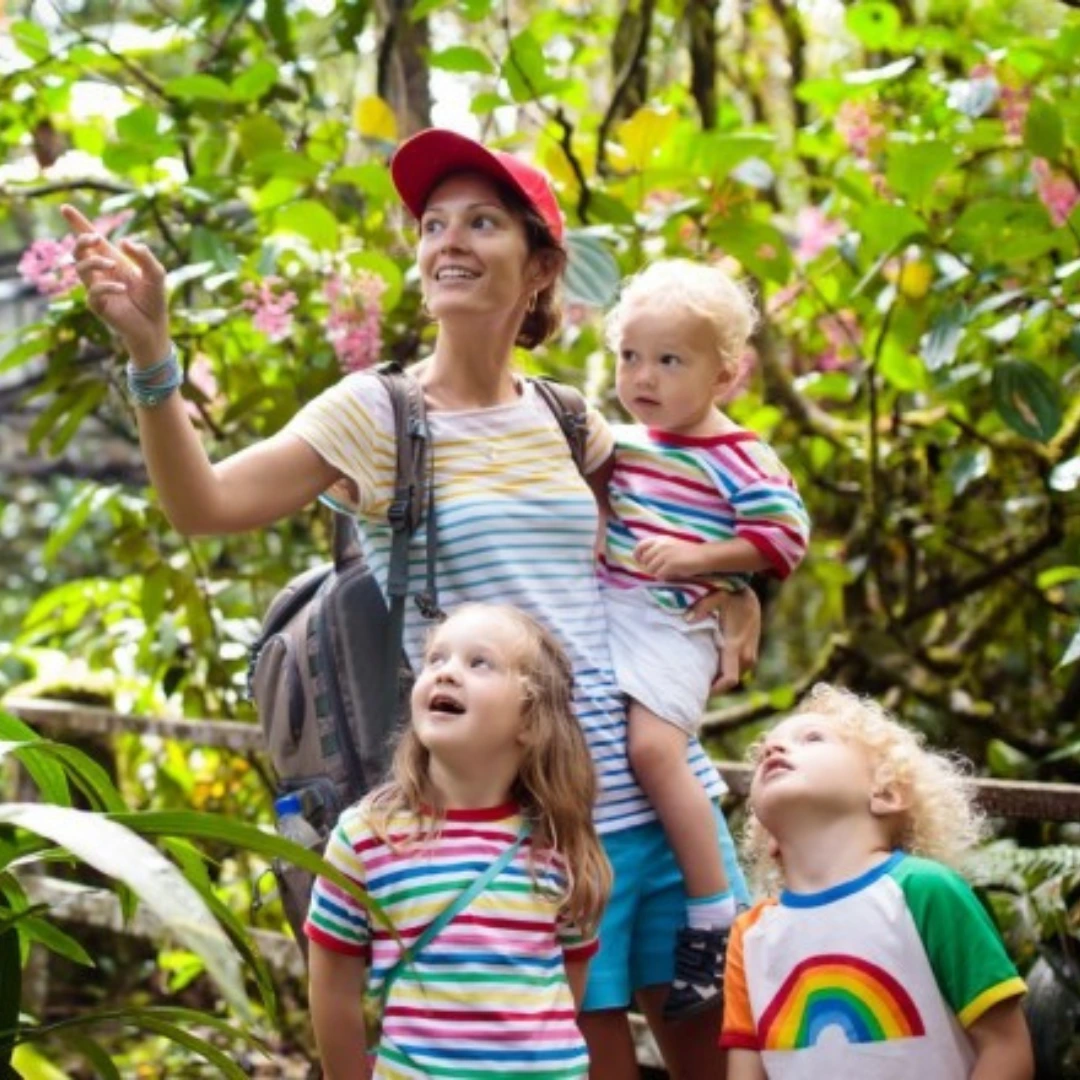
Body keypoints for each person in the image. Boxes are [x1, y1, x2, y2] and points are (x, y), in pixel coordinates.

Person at [61, 126, 756, 1077]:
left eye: (482, 221)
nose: (449, 241)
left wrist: (740, 589)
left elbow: (664, 534)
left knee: (719, 1055)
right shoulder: (375, 414)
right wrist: (153, 358)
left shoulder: (569, 416)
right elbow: (205, 506)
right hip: (525, 817)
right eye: (434, 224)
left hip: (657, 794)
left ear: (541, 264)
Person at [600, 259, 810, 1020]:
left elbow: (784, 536)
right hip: (617, 613)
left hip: (675, 621)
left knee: (656, 751)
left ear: (724, 377)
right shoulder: (627, 441)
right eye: (629, 356)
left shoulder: (736, 454)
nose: (643, 377)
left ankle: (711, 911)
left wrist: (709, 564)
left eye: (669, 361)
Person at [305, 602, 611, 1078]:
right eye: (436, 660)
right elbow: (332, 992)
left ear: (530, 721)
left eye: (478, 662)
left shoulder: (557, 844)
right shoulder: (366, 837)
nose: (446, 673)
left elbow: (567, 984)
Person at [722, 683, 1033, 1080]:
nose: (772, 749)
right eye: (768, 747)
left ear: (886, 792)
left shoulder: (926, 891)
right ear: (768, 840)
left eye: (812, 738)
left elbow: (1007, 1048)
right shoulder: (750, 938)